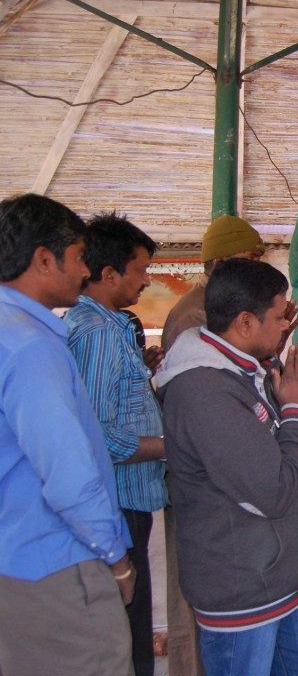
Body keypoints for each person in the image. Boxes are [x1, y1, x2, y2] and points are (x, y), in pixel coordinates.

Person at [154, 259, 298, 676]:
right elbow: (276, 490)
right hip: (243, 592)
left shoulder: (240, 369)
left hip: (275, 583)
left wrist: (279, 383)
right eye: (280, 315)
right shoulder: (205, 391)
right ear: (245, 323)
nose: (287, 325)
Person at [0, 193, 134, 676]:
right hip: (57, 563)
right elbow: (68, 473)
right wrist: (114, 556)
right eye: (79, 258)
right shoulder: (30, 348)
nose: (85, 271)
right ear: (42, 259)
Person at [160, 213, 269, 676]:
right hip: (201, 469)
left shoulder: (218, 305)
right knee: (196, 595)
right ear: (218, 263)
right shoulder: (195, 314)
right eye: (247, 261)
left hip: (215, 461)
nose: (253, 269)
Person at [65, 213, 168, 676]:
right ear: (108, 275)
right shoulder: (99, 333)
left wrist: (141, 373)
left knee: (131, 623)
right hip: (117, 503)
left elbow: (108, 402)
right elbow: (99, 435)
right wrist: (170, 446)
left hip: (127, 499)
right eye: (141, 270)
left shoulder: (107, 327)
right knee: (126, 628)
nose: (147, 281)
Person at [161, 212, 266, 350]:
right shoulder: (197, 313)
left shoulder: (221, 302)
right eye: (251, 258)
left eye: (258, 259)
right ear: (220, 262)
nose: (258, 267)